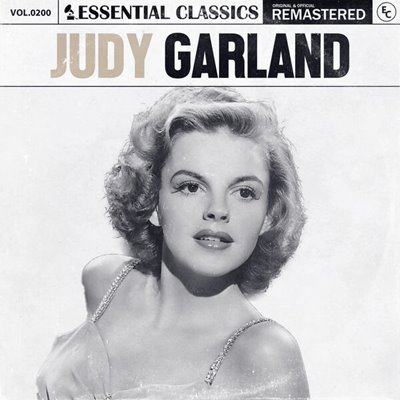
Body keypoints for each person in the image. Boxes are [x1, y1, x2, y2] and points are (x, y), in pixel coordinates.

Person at [37, 87, 309, 399]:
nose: (218, 210)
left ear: (269, 215)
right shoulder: (105, 281)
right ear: (152, 201)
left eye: (244, 192)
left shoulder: (266, 354)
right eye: (191, 186)